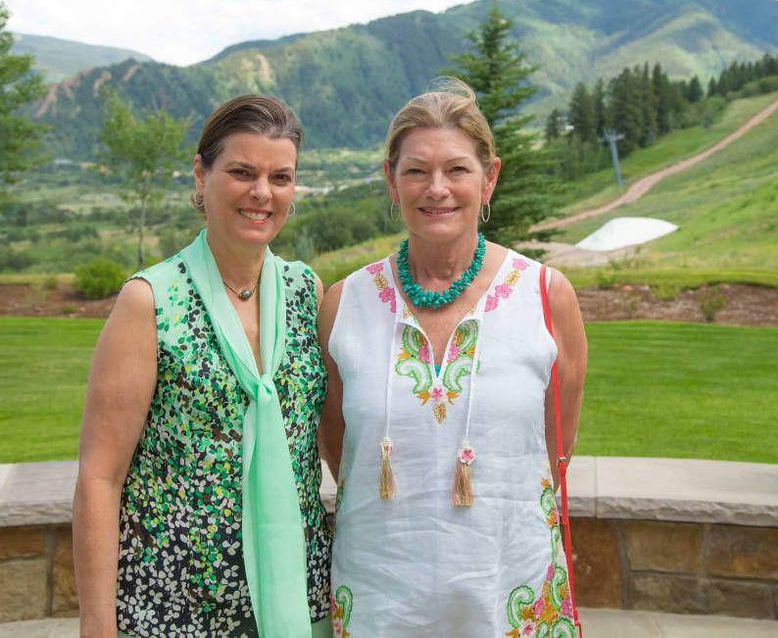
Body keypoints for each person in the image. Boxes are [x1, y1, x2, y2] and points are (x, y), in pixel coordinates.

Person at [318, 79, 587, 636]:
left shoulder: (545, 295)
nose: (435, 188)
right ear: (391, 182)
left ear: (489, 179)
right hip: (380, 589)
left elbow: (553, 450)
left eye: (457, 170)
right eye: (415, 170)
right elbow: (341, 447)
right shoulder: (345, 304)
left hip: (506, 583)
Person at [73, 95, 331, 637]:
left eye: (280, 177)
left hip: (292, 601)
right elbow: (100, 477)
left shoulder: (306, 292)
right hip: (173, 607)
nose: (262, 193)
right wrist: (97, 627)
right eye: (242, 172)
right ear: (201, 174)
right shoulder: (150, 301)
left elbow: (330, 444)